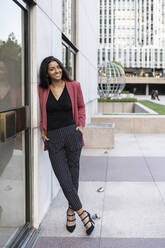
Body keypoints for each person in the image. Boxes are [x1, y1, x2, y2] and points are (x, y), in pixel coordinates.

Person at [38, 56, 95, 235]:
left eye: (58, 67)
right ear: (46, 73)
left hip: (72, 134)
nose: (57, 71)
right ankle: (83, 214)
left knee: (73, 176)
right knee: (64, 179)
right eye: (52, 69)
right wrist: (42, 129)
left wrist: (81, 125)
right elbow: (40, 111)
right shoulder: (42, 89)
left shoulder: (73, 86)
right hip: (53, 138)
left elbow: (81, 107)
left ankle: (71, 212)